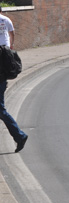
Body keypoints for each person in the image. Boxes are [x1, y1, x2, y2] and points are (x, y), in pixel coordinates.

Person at [0, 8, 28, 152]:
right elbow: (12, 34)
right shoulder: (6, 20)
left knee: (1, 110)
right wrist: (11, 46)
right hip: (5, 58)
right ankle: (19, 136)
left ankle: (20, 136)